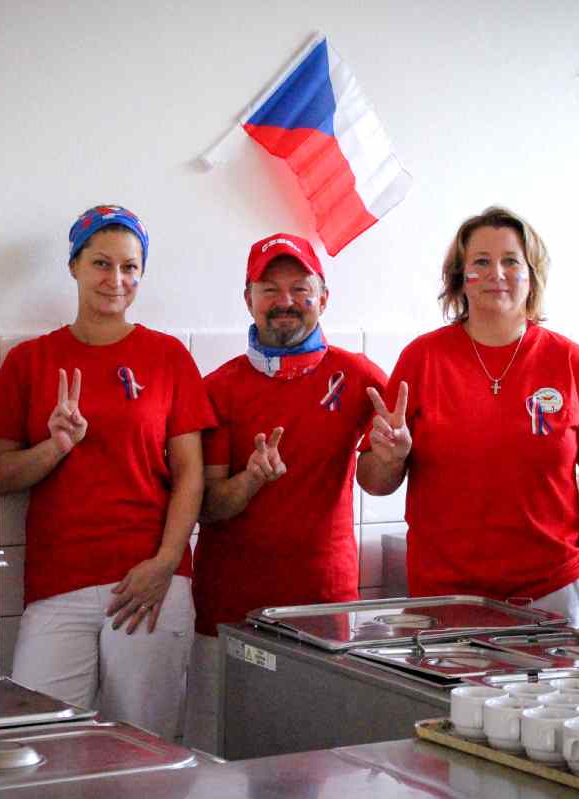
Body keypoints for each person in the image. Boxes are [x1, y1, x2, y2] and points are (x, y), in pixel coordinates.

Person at [0, 205, 213, 739]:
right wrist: (56, 447)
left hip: (149, 582)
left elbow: (190, 476)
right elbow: (0, 477)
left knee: (143, 745)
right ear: (74, 266)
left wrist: (165, 564)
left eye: (130, 267)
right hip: (58, 583)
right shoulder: (30, 361)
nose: (116, 280)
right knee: (39, 741)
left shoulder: (168, 356)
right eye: (101, 263)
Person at [356, 206, 579, 627]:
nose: (496, 273)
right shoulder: (423, 358)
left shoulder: (571, 362)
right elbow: (373, 481)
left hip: (549, 599)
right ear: (460, 277)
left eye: (511, 261)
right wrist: (391, 458)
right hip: (441, 601)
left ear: (531, 275)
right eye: (481, 261)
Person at [183, 233, 388, 752]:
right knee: (218, 759)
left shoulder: (359, 377)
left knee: (320, 757)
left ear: (324, 297)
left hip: (324, 605)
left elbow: (384, 479)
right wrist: (251, 480)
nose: (285, 301)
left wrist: (396, 452)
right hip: (227, 611)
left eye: (300, 288)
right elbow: (208, 507)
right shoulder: (217, 388)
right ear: (247, 298)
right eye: (269, 289)